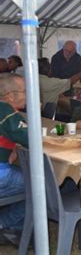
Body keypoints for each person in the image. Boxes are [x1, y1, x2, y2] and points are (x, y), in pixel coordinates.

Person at [0, 73, 28, 246]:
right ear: (11, 96)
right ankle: (7, 225)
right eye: (25, 91)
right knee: (42, 186)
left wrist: (13, 145)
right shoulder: (8, 112)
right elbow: (31, 139)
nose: (28, 94)